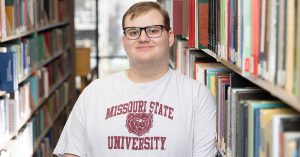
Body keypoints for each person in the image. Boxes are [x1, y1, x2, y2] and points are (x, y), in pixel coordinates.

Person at [53, 1, 217, 157]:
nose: (143, 38)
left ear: (170, 37)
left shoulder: (197, 96)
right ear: (124, 42)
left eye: (153, 30)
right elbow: (72, 152)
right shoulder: (94, 93)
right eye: (133, 32)